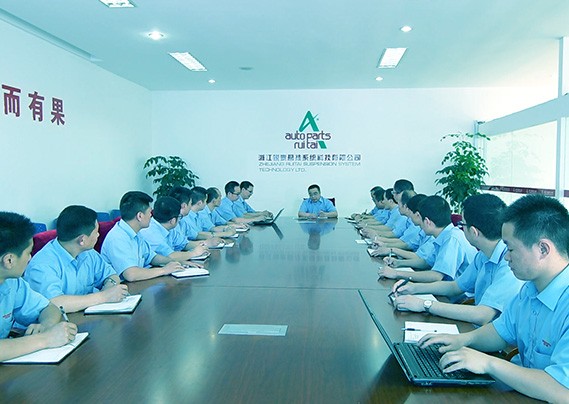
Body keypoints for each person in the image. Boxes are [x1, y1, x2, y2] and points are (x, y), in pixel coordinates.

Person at [420, 194, 569, 402]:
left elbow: (562, 390)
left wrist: (488, 363)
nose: (506, 256)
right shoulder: (530, 290)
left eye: (511, 248)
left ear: (543, 249)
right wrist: (462, 340)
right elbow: (501, 331)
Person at [391, 194, 523, 326]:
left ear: (474, 232)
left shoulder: (509, 263)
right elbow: (455, 286)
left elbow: (483, 315)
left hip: (487, 331)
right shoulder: (483, 255)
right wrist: (414, 288)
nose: (461, 228)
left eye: (462, 224)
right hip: (477, 325)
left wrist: (424, 305)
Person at [0, 211, 77, 361]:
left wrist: (46, 325)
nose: (30, 258)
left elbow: (48, 308)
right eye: (28, 253)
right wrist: (46, 339)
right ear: (9, 260)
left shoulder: (12, 282)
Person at [24, 206, 129, 313]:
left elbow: (111, 275)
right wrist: (103, 297)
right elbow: (54, 304)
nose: (98, 235)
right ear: (82, 240)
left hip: (86, 316)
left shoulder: (88, 252)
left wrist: (109, 287)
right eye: (96, 232)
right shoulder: (42, 265)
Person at [379, 195, 476, 282]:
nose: (420, 226)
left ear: (427, 221)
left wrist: (396, 274)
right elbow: (426, 262)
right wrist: (398, 263)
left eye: (420, 221)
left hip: (458, 295)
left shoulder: (452, 239)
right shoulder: (443, 235)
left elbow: (436, 276)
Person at [100, 191, 184, 282]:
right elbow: (131, 274)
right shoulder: (117, 238)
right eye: (149, 212)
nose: (151, 215)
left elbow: (152, 257)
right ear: (139, 216)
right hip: (122, 287)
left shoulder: (136, 233)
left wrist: (174, 262)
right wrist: (164, 270)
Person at [138, 196, 209, 262]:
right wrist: (194, 253)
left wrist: (204, 245)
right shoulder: (150, 232)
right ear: (172, 221)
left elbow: (184, 244)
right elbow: (170, 256)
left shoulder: (169, 228)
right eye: (179, 217)